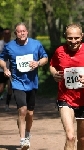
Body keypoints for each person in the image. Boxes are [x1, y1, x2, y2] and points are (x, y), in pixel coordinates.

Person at [49, 23, 84, 150]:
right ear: (65, 37)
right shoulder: (60, 51)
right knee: (70, 136)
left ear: (82, 36)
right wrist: (54, 74)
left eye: (76, 38)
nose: (73, 41)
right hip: (65, 98)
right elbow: (52, 65)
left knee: (82, 138)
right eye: (70, 38)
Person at [0, 22, 48, 150]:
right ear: (15, 33)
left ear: (27, 32)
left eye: (23, 31)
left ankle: (27, 133)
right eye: (19, 31)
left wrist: (38, 63)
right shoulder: (10, 46)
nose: (21, 33)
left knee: (30, 114)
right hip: (17, 83)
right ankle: (22, 140)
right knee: (22, 110)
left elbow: (45, 58)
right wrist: (5, 68)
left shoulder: (36, 44)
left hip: (32, 83)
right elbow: (2, 58)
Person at [3, 28, 12, 111]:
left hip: (11, 69)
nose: (7, 35)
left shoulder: (13, 44)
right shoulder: (0, 44)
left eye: (8, 33)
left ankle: (7, 105)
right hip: (1, 70)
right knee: (1, 88)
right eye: (5, 33)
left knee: (10, 88)